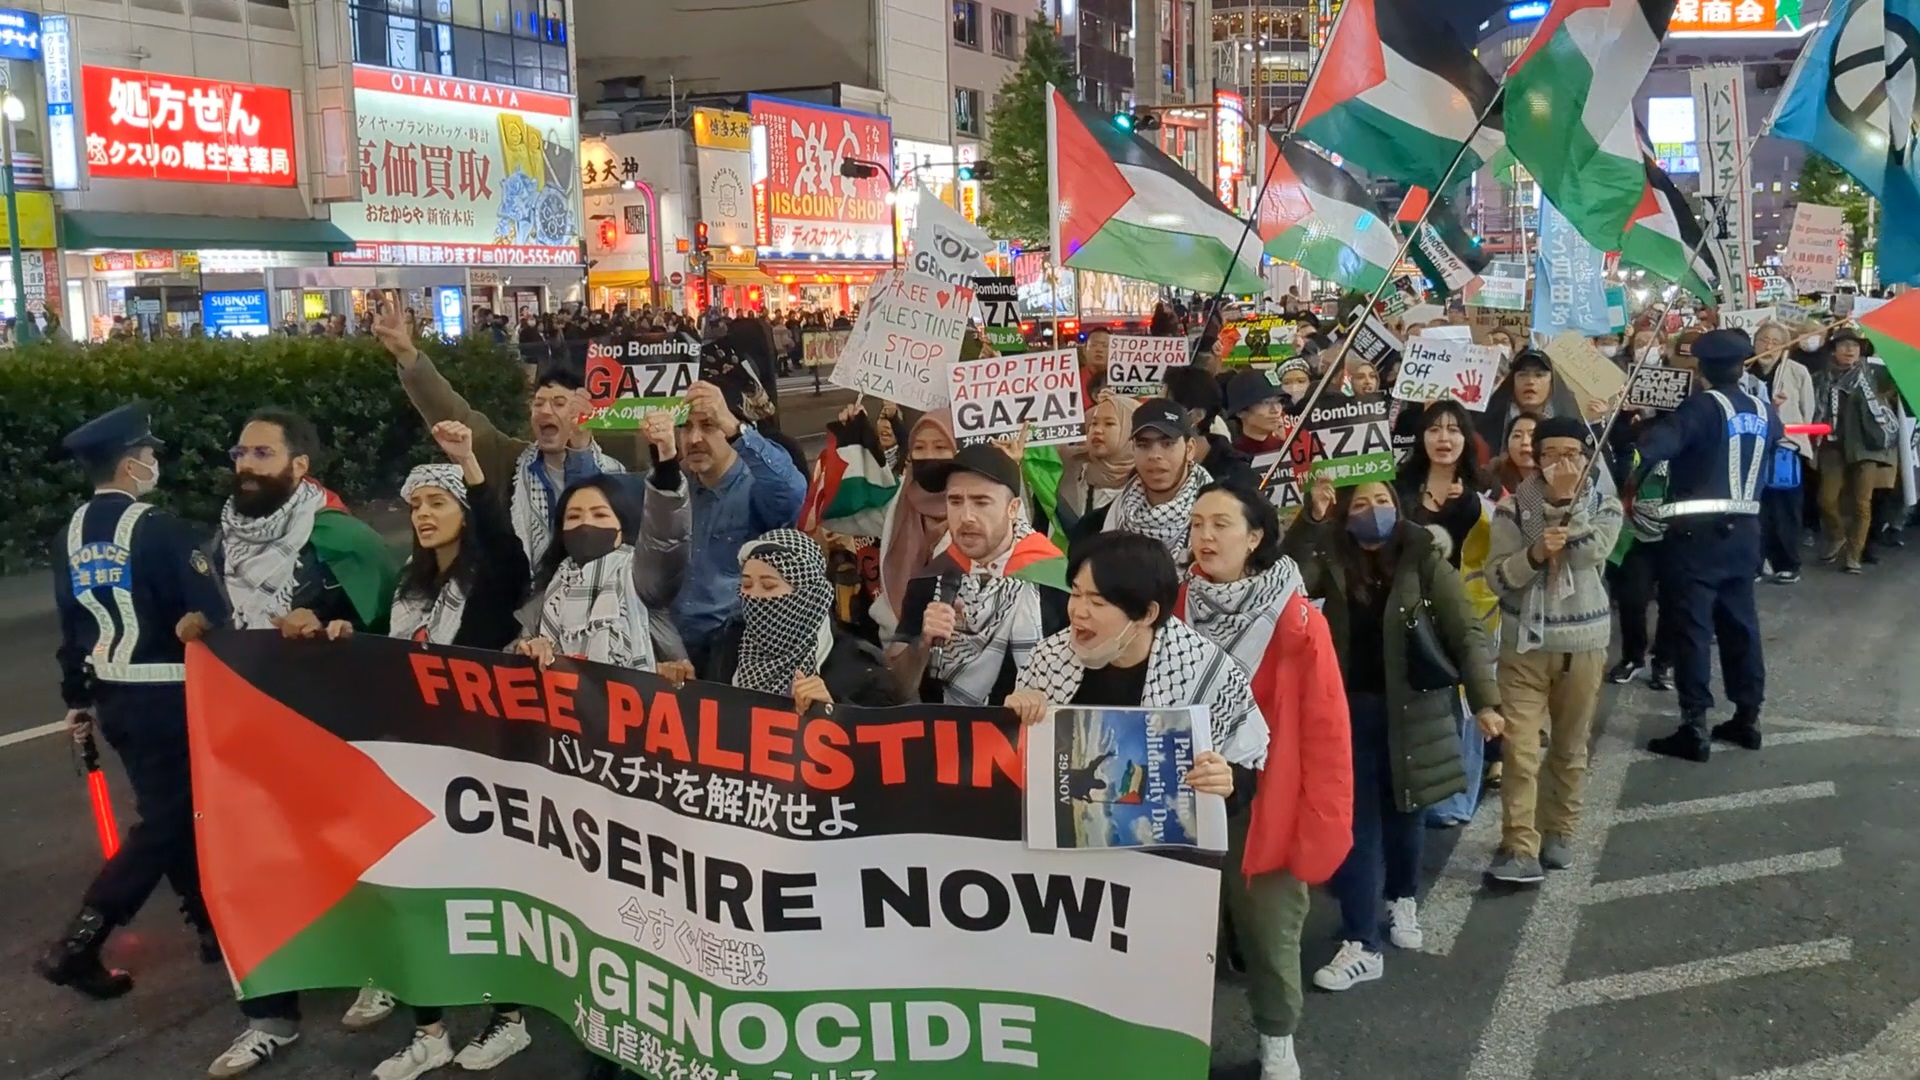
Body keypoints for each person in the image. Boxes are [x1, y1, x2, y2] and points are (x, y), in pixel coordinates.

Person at [309, 421, 539, 1076]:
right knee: (411, 896)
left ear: (463, 512)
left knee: (482, 900)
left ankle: (509, 1020)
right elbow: (386, 655)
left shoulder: (490, 581)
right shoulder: (410, 586)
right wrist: (339, 634)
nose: (424, 515)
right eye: (416, 505)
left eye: (438, 502)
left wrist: (469, 465)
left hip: (478, 765)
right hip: (409, 763)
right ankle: (429, 1030)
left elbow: (504, 545)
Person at [193, 410, 400, 1077]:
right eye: (240, 452)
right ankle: (268, 1019)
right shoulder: (224, 538)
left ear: (299, 465)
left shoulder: (340, 535)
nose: (246, 465)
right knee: (252, 869)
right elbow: (219, 610)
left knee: (348, 854)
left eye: (262, 453)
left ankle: (382, 970)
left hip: (330, 727)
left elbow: (393, 623)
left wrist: (330, 624)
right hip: (244, 729)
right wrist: (198, 626)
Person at [36, 404, 230, 1001]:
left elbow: (72, 630)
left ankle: (210, 927)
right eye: (148, 454)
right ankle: (81, 941)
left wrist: (77, 699)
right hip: (171, 695)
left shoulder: (68, 535)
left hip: (115, 700)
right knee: (169, 822)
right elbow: (211, 611)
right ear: (128, 465)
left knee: (173, 815)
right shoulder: (160, 529)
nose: (153, 463)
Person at [1287, 477, 1503, 991]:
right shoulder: (1330, 554)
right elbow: (1287, 579)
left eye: (1381, 500)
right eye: (1360, 503)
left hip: (1415, 710)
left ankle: (1401, 896)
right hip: (1346, 712)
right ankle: (1362, 942)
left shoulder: (1423, 556)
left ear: (1397, 506)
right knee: (1355, 822)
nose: (1373, 510)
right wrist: (1310, 520)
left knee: (1408, 810)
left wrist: (1486, 700)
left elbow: (1465, 630)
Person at [1180, 484, 1351, 1080]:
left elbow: (1326, 727)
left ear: (1255, 537)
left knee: (1269, 927)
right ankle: (1172, 1041)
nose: (1205, 536)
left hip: (1265, 798)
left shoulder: (1297, 620)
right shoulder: (1173, 606)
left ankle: (1277, 1036)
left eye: (1221, 524)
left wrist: (1322, 812)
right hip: (1184, 790)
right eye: (1197, 523)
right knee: (1178, 930)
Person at [377, 301, 632, 570]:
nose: (545, 411)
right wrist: (408, 355)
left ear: (583, 410)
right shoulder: (509, 459)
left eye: (559, 403)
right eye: (538, 403)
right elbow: (452, 412)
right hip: (522, 589)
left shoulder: (614, 474)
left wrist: (580, 449)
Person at [1483, 417, 1623, 884]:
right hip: (1525, 645)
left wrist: (1565, 505)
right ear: (1536, 458)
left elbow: (1588, 555)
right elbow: (1498, 578)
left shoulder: (1603, 504)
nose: (1562, 464)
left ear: (1587, 458)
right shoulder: (1512, 509)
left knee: (1569, 744)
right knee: (1520, 750)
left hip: (1583, 643)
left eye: (1571, 454)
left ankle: (1559, 828)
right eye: (1550, 454)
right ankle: (1518, 845)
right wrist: (1534, 556)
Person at [1636, 329, 1783, 762]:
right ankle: (1747, 717)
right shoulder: (1764, 410)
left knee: (1692, 629)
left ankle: (1694, 725)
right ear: (1742, 367)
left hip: (1694, 538)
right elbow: (1773, 443)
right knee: (1741, 627)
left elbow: (1654, 449)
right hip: (1745, 535)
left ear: (1700, 369)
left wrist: (1640, 428)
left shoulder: (1700, 408)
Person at [1001, 530, 1248, 775]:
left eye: (1097, 602)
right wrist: (1013, 717)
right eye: (1075, 594)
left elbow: (1244, 770)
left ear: (1147, 614)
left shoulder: (1205, 671)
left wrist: (1225, 781)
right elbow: (1014, 766)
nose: (1078, 611)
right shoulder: (1048, 659)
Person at [890, 444, 1070, 706]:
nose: (966, 517)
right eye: (955, 501)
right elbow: (897, 689)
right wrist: (923, 644)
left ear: (1013, 508)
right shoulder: (932, 580)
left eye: (981, 502)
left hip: (1035, 727)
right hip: (947, 726)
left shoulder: (1056, 579)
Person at [671, 379, 808, 671]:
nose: (693, 439)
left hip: (737, 653)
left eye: (708, 425)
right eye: (685, 426)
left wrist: (736, 429)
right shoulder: (672, 486)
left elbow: (791, 492)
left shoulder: (759, 486)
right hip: (673, 650)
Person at [518, 446, 693, 673]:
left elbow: (667, 538)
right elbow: (510, 664)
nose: (586, 524)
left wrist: (665, 465)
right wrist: (527, 651)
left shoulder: (641, 579)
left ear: (622, 527)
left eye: (600, 514)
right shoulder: (547, 598)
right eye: (574, 516)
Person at [701, 528, 903, 708]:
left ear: (807, 595)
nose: (753, 596)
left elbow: (884, 732)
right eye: (746, 585)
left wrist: (834, 711)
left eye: (768, 586)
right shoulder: (727, 645)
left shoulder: (858, 669)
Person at [1812, 327, 1899, 575]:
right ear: (1834, 350)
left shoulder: (1875, 374)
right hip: (1833, 444)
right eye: (1843, 345)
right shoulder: (1821, 377)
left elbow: (1895, 394)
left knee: (1862, 503)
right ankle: (1838, 535)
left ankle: (1854, 555)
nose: (1849, 350)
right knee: (1826, 500)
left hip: (1866, 446)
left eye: (1855, 345)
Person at [1097, 399, 1215, 562]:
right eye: (1143, 445)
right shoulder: (1110, 518)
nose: (1154, 455)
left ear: (1190, 449)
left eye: (1167, 444)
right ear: (1133, 450)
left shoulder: (1219, 515)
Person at [1751, 322, 1816, 583]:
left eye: (1776, 341)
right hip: (1751, 447)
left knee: (1784, 507)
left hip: (1786, 447)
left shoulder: (1797, 371)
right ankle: (1756, 562)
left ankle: (1787, 562)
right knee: (1754, 508)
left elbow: (1807, 411)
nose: (1768, 346)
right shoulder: (1744, 370)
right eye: (1763, 340)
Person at [1475, 349, 1582, 452]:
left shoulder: (1569, 423)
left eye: (1539, 375)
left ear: (1552, 382)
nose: (1530, 381)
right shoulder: (1487, 422)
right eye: (1522, 375)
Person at [1226, 370, 1289, 454]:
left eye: (1279, 401)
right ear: (1241, 412)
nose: (1275, 410)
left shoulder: (1286, 449)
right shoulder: (1232, 456)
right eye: (1266, 402)